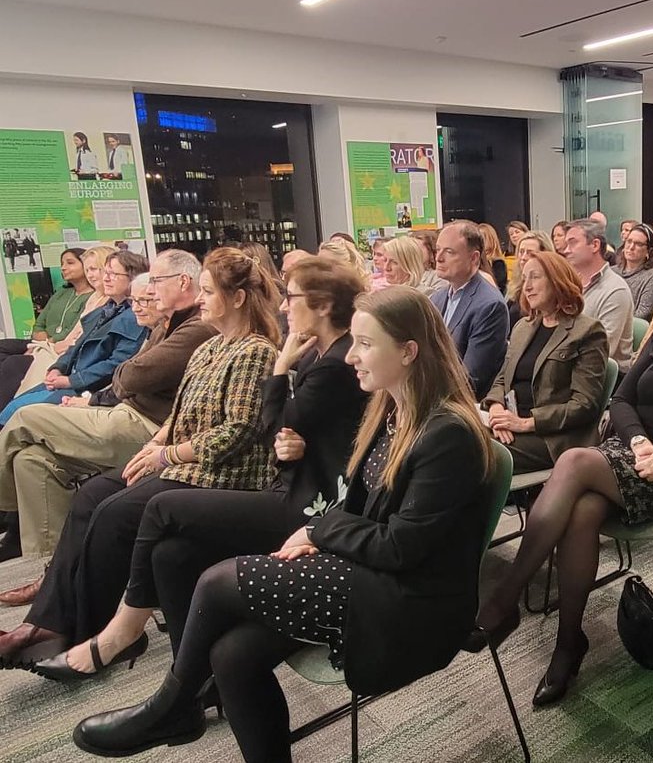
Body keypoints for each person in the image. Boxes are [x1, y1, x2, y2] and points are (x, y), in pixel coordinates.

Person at [69, 287, 494, 761]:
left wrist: (318, 532)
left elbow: (402, 548)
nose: (351, 355)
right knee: (231, 655)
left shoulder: (447, 433)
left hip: (412, 603)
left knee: (215, 580)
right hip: (372, 570)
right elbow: (355, 505)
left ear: (409, 351)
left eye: (365, 344)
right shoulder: (390, 411)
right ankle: (182, 705)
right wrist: (322, 525)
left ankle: (172, 705)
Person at [35, 257, 369, 683]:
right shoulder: (292, 353)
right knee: (157, 544)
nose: (285, 307)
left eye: (293, 297)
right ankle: (191, 684)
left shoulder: (323, 360)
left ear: (321, 305)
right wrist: (163, 444)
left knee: (145, 511)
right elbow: (284, 431)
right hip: (289, 486)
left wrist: (282, 375)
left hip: (290, 498)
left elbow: (263, 427)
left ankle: (117, 631)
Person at [467, 251, 653, 706]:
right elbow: (621, 401)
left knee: (575, 463)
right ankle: (569, 643)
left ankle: (504, 603)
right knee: (583, 510)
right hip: (631, 456)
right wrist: (641, 442)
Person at [0, 248, 280, 670]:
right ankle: (50, 620)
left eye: (207, 291)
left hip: (222, 472)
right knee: (93, 494)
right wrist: (156, 446)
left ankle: (89, 632)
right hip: (183, 457)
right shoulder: (212, 347)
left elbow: (238, 432)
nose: (200, 299)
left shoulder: (255, 351)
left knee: (116, 512)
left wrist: (165, 454)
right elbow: (178, 413)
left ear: (237, 299)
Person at [0, 251, 215, 567]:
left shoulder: (195, 327)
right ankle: (55, 570)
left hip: (149, 427)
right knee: (32, 460)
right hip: (123, 410)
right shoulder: (163, 322)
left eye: (155, 282)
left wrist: (97, 386)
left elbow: (131, 373)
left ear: (182, 282)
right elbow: (115, 366)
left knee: (25, 417)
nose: (149, 293)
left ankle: (5, 508)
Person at [484, 252, 608, 472]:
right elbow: (502, 378)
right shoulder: (523, 326)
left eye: (535, 277)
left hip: (553, 438)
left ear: (557, 280)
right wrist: (496, 410)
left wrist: (524, 423)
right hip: (511, 424)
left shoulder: (587, 331)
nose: (527, 286)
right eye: (525, 278)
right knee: (448, 436)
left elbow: (584, 405)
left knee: (471, 453)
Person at [0, 251, 149, 425]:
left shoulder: (135, 316)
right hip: (71, 379)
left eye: (113, 274)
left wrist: (70, 380)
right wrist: (58, 368)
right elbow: (76, 345)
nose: (105, 278)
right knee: (10, 409)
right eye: (105, 273)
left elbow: (117, 364)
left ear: (133, 278)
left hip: (90, 388)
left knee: (18, 415)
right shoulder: (106, 309)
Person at [0, 248, 92, 408]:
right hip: (42, 342)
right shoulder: (61, 294)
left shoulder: (93, 297)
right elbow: (38, 325)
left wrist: (48, 342)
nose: (63, 267)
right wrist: (41, 342)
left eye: (70, 263)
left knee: (14, 363)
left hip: (59, 346)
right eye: (62, 264)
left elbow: (73, 331)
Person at [430, 221, 509, 400]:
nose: (439, 258)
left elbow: (471, 378)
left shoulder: (489, 305)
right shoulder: (437, 298)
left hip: (461, 405)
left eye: (449, 252)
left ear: (474, 258)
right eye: (437, 250)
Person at [563, 219, 634, 373]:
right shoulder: (570, 285)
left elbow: (603, 349)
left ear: (595, 245)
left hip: (601, 375)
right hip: (568, 365)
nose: (566, 250)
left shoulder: (615, 290)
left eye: (572, 243)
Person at [506, 230, 555, 328]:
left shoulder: (548, 287)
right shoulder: (515, 283)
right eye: (521, 252)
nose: (523, 257)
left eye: (530, 253)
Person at [616, 224, 653, 319]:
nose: (631, 247)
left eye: (638, 244)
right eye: (629, 241)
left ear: (649, 251)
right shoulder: (612, 271)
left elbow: (643, 314)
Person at [478, 223, 508, 295]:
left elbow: (497, 285)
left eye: (482, 238)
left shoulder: (498, 263)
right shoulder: (475, 262)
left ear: (491, 239)